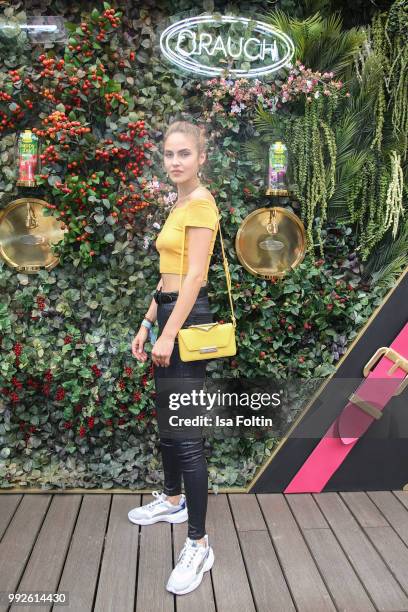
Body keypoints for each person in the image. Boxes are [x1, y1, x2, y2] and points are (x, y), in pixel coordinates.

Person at [129, 120, 219, 596]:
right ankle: (172, 499)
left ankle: (199, 544)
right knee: (168, 426)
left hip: (186, 320)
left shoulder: (202, 205)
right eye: (169, 154)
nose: (176, 161)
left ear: (201, 157)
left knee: (185, 436)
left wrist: (169, 333)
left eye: (185, 153)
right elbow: (168, 274)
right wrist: (147, 323)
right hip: (167, 316)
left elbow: (195, 277)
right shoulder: (180, 203)